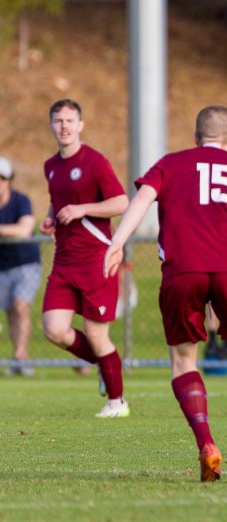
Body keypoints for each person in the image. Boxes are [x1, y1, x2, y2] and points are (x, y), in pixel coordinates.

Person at [104, 105, 227, 482]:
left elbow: (141, 201)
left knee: (184, 360)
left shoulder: (170, 164)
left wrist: (117, 242)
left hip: (182, 270)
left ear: (195, 138)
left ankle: (206, 443)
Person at [41, 99, 130, 418]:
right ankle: (105, 365)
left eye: (69, 120)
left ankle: (117, 402)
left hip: (96, 260)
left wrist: (83, 209)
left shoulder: (95, 162)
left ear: (80, 125)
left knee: (96, 334)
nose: (64, 126)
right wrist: (50, 217)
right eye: (58, 120)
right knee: (53, 329)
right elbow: (59, 200)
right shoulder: (51, 166)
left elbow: (121, 202)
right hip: (64, 261)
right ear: (51, 125)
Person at [0, 157, 42, 377]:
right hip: (2, 265)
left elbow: (25, 229)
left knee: (20, 306)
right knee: (9, 312)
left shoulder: (20, 201)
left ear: (9, 181)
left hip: (25, 263)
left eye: (2, 179)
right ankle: (17, 359)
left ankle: (21, 357)